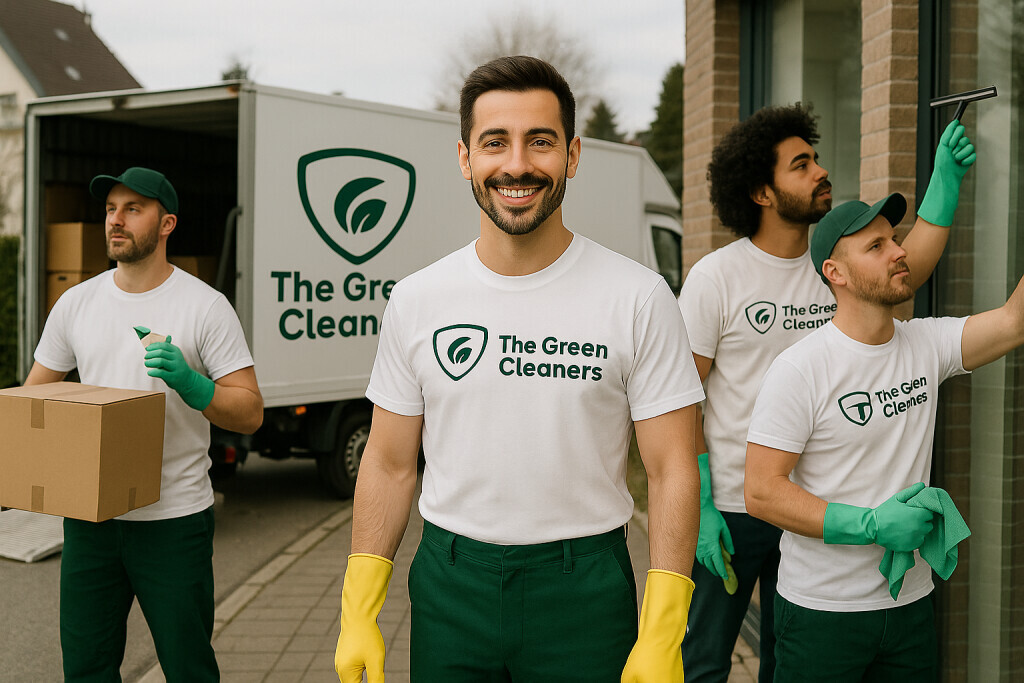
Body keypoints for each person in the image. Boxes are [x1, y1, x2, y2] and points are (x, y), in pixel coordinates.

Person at [333, 55, 705, 682]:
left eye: (540, 141)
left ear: (573, 154)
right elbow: (391, 464)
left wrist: (665, 621)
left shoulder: (639, 298)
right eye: (494, 143)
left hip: (584, 588)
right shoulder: (418, 299)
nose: (517, 165)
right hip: (452, 584)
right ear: (464, 158)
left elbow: (672, 469)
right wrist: (359, 607)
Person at [678, 104, 975, 681]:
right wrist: (702, 500)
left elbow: (911, 263)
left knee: (779, 652)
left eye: (814, 159)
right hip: (741, 507)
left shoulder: (839, 263)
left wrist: (943, 184)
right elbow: (684, 394)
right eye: (801, 165)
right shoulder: (718, 276)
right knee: (707, 658)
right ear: (763, 192)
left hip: (816, 507)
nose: (820, 172)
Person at [743, 186, 1022, 681]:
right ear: (836, 274)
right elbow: (762, 493)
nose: (899, 252)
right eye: (876, 247)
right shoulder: (800, 370)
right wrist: (869, 523)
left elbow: (1013, 322)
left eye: (893, 239)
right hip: (821, 614)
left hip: (911, 605)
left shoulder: (925, 344)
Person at [25, 167, 263, 682]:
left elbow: (250, 412)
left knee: (188, 669)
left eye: (133, 209)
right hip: (91, 524)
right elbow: (36, 397)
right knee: (86, 669)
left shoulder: (205, 306)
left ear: (167, 223)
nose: (116, 219)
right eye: (111, 208)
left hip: (173, 521)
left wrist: (194, 385)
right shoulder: (76, 304)